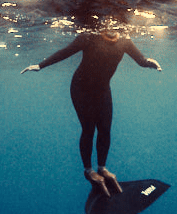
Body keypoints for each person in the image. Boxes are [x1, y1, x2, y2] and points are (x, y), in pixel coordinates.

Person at [21, 26, 160, 197]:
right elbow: (65, 52)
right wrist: (40, 65)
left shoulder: (124, 39)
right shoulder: (89, 37)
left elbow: (140, 60)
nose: (111, 28)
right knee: (89, 129)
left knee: (105, 129)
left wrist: (149, 63)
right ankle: (88, 170)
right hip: (80, 88)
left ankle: (102, 168)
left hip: (102, 89)